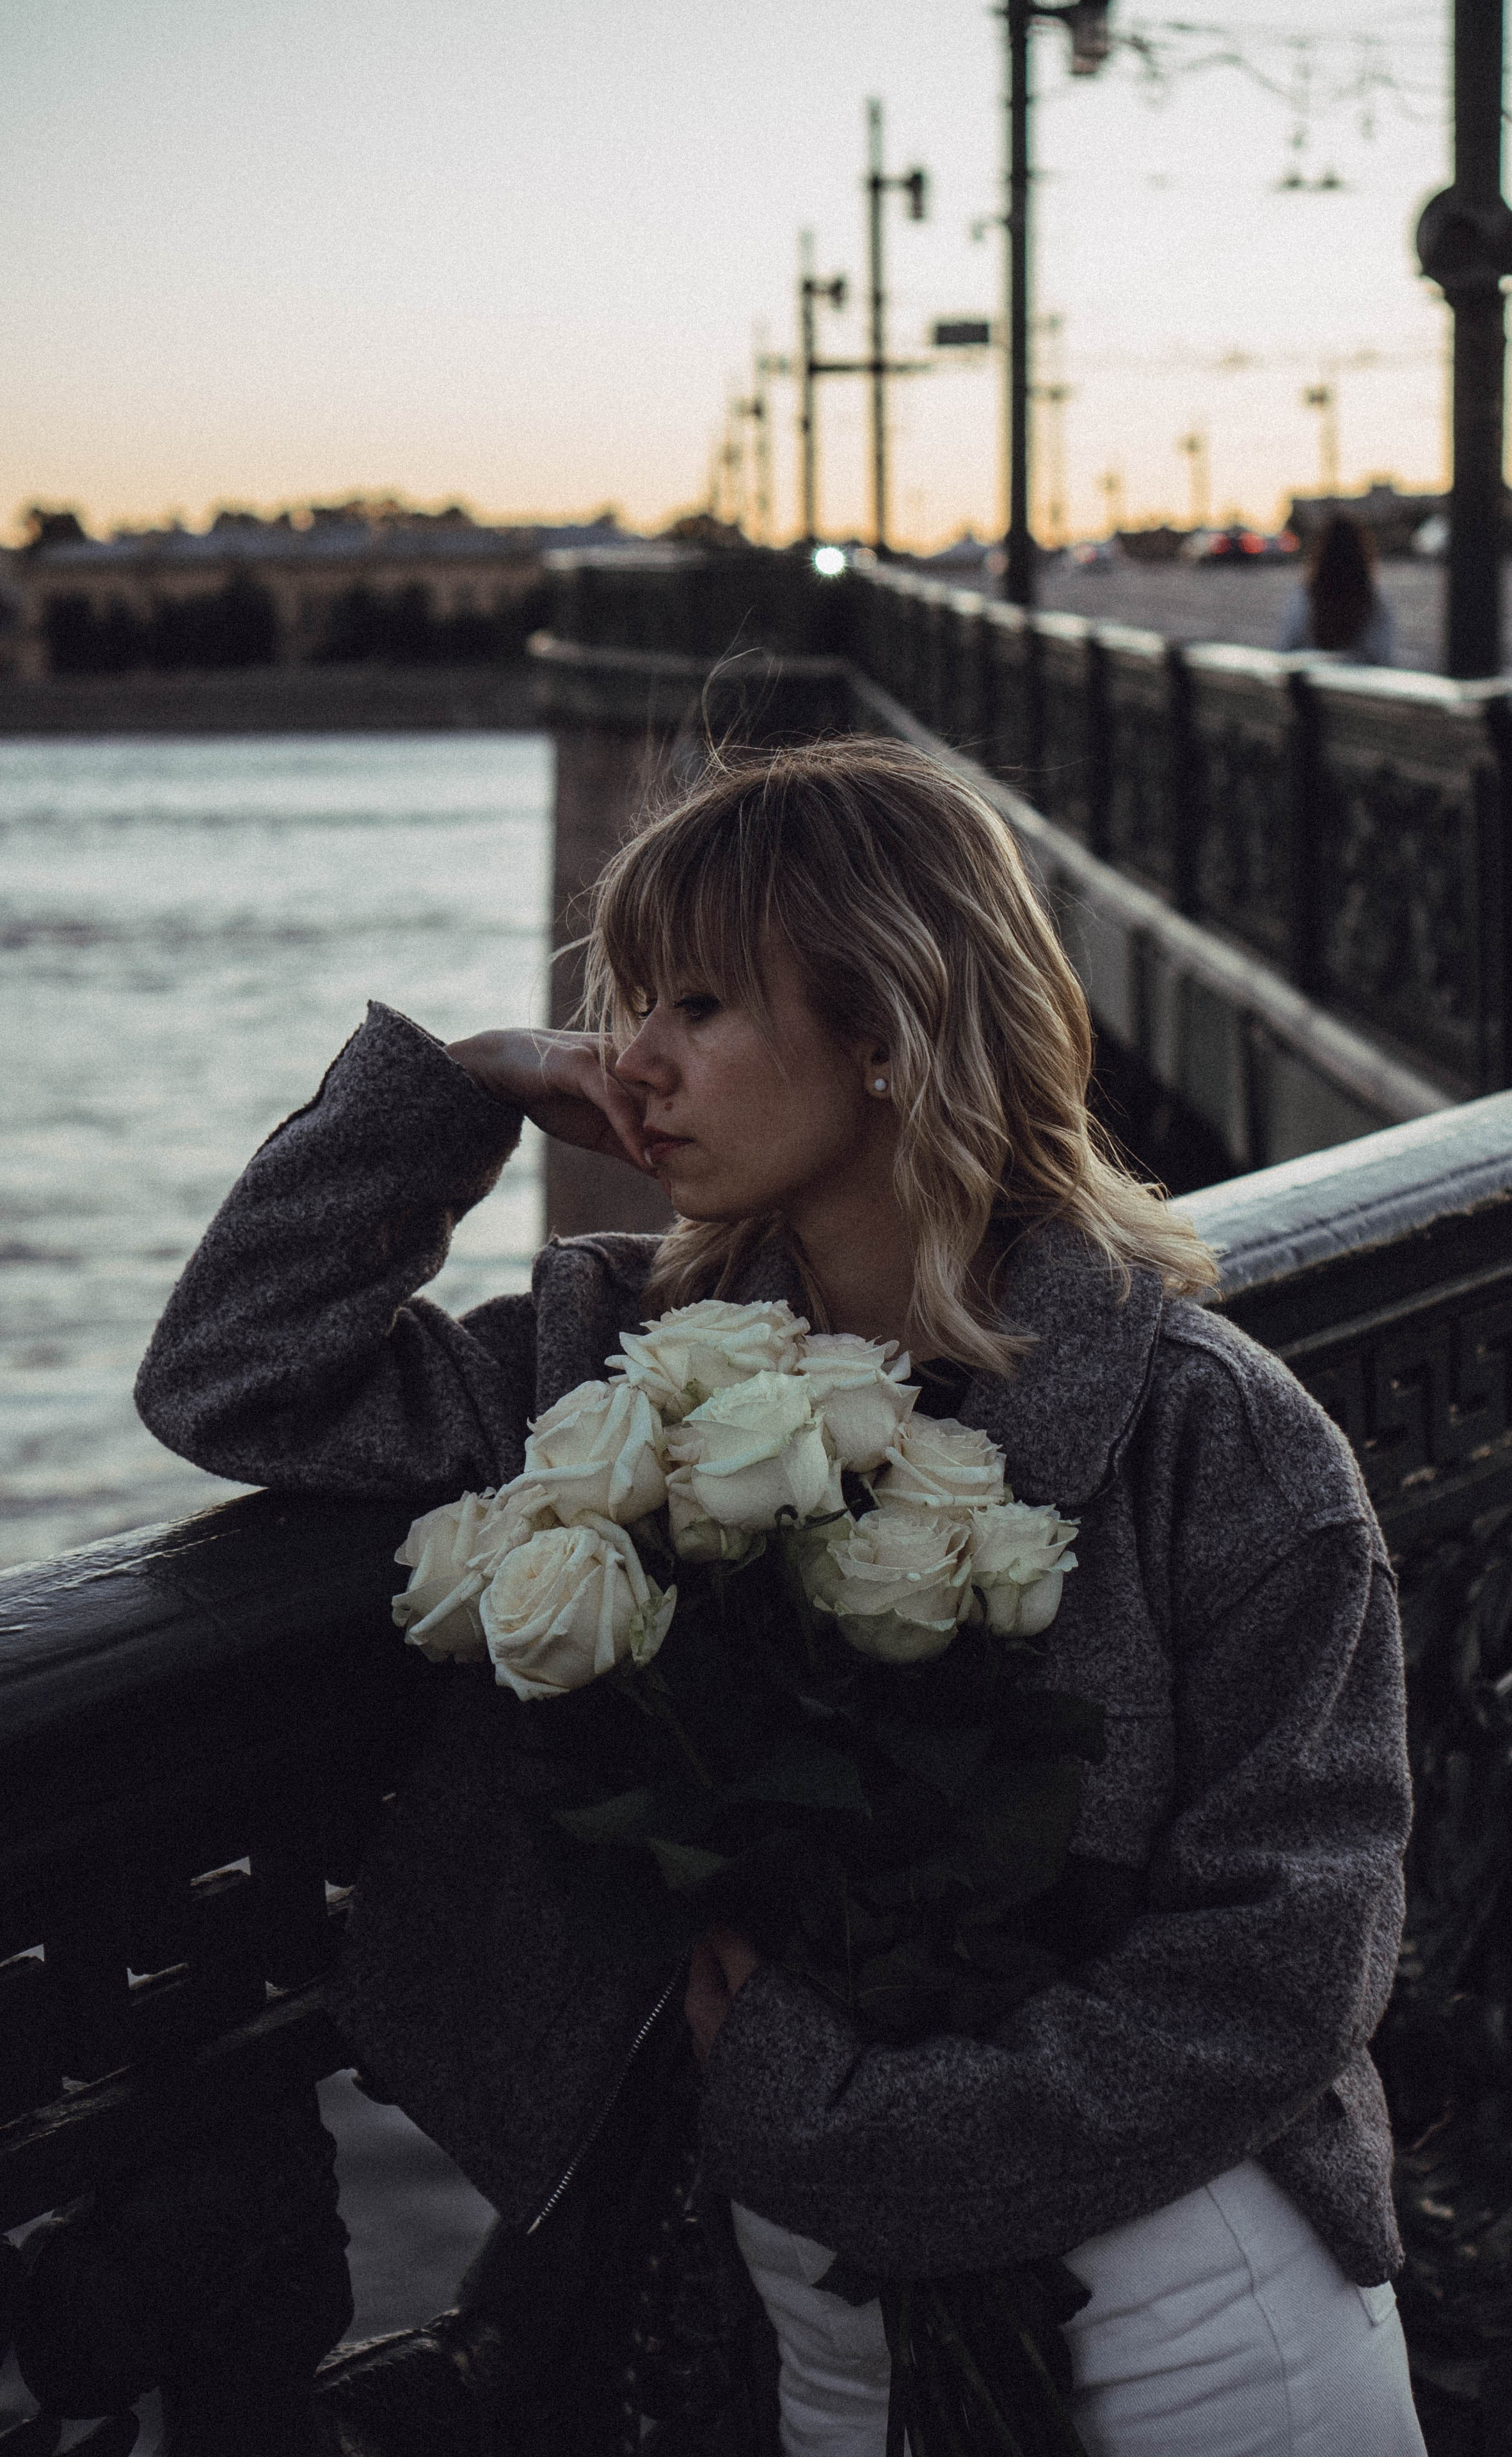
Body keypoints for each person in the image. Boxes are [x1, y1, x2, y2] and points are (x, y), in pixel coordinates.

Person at [135, 736, 1424, 2456]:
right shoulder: (614, 1361)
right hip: (805, 2305)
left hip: (1186, 2306)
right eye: (620, 1006)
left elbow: (1291, 1956)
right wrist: (461, 1088)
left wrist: (852, 2126)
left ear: (887, 1028)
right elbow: (237, 1378)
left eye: (696, 1007)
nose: (633, 1064)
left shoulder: (1217, 1436)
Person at [1277, 511, 1397, 664]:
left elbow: (1286, 650)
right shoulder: (1376, 600)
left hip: (1313, 684)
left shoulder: (1304, 597)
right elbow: (1382, 656)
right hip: (1356, 686)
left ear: (1321, 553)